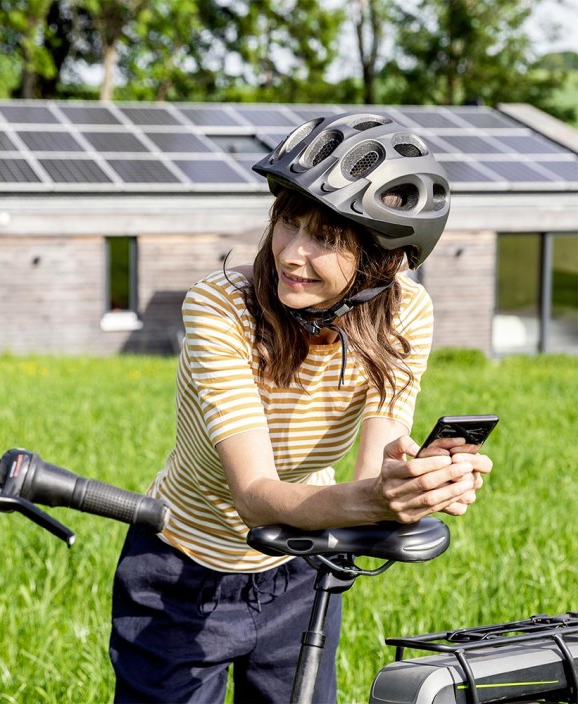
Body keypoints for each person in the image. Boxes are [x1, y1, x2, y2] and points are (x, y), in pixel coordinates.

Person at [109, 112, 493, 704]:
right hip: (180, 571)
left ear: (382, 260)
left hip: (300, 568)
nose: (291, 253)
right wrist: (371, 500)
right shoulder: (220, 307)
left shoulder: (405, 314)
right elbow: (256, 495)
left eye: (327, 238)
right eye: (288, 221)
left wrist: (412, 485)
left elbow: (373, 473)